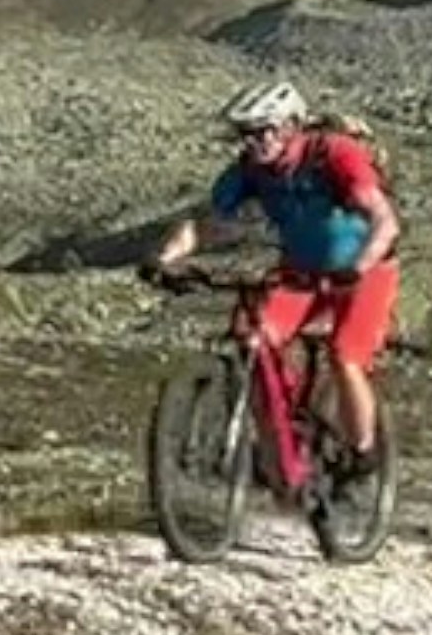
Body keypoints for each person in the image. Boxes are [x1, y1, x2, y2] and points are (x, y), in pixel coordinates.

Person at [145, 78, 400, 476]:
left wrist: (360, 266)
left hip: (364, 274)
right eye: (246, 134)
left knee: (344, 356)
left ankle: (363, 456)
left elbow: (384, 221)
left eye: (262, 131)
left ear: (291, 126)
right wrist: (165, 258)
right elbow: (206, 224)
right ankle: (280, 453)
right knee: (252, 339)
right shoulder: (251, 172)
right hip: (301, 273)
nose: (253, 143)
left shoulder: (335, 155)